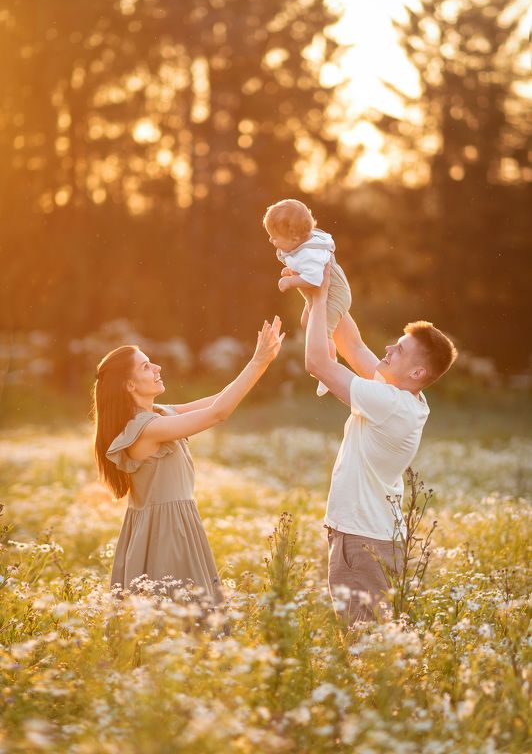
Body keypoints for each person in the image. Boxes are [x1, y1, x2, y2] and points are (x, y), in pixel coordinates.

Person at [93, 317, 284, 608]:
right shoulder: (146, 429)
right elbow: (219, 413)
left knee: (188, 622)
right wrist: (257, 362)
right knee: (177, 622)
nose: (157, 368)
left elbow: (218, 400)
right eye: (146, 366)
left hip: (178, 525)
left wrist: (263, 362)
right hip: (164, 535)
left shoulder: (161, 414)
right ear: (130, 384)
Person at [304, 267, 457, 625]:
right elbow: (351, 343)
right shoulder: (398, 395)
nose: (388, 348)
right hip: (371, 536)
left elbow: (316, 363)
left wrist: (319, 296)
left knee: (365, 646)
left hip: (362, 540)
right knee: (376, 641)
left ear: (417, 373)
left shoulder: (390, 403)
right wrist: (320, 275)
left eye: (399, 350)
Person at [263, 198, 351, 396]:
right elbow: (305, 270)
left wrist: (291, 282)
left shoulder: (309, 253)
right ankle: (330, 359)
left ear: (294, 239)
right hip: (323, 294)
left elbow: (314, 279)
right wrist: (293, 272)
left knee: (323, 332)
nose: (271, 241)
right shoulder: (301, 245)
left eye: (274, 237)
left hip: (334, 295)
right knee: (306, 322)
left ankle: (329, 369)